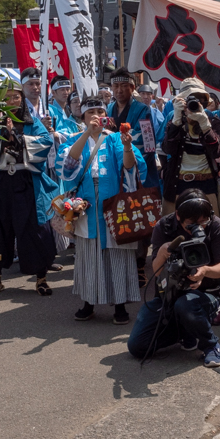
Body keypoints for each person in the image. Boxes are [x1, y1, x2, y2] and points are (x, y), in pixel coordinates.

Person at [61, 94, 145, 324]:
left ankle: (119, 305)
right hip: (87, 203)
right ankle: (88, 303)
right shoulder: (75, 138)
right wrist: (87, 133)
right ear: (83, 115)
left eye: (99, 112)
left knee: (117, 251)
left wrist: (128, 147)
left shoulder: (116, 138)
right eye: (90, 113)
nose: (96, 117)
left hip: (113, 202)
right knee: (89, 253)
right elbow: (68, 165)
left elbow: (131, 169)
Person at [127, 188, 220, 367]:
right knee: (138, 346)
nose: (198, 227)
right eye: (191, 223)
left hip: (204, 295)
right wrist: (163, 254)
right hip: (169, 295)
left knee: (187, 304)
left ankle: (210, 345)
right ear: (178, 215)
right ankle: (185, 332)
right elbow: (157, 274)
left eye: (203, 222)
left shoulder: (215, 225)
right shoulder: (164, 226)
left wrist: (204, 271)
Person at [0, 77, 59, 295]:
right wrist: (1, 135)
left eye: (16, 97)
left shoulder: (31, 122)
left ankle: (41, 277)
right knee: (0, 228)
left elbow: (45, 142)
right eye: (7, 97)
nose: (12, 101)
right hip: (3, 182)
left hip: (26, 181)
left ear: (21, 99)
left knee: (34, 230)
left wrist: (16, 136)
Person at [160, 77, 220, 215]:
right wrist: (176, 122)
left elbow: (217, 153)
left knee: (207, 231)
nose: (194, 103)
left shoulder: (212, 121)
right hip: (178, 185)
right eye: (189, 99)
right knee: (176, 233)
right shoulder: (174, 118)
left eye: (199, 99)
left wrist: (205, 126)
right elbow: (167, 149)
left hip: (207, 185)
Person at [108, 67, 160, 187]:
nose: (119, 90)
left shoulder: (143, 109)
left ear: (132, 88)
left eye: (123, 85)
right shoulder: (109, 109)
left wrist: (112, 136)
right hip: (115, 169)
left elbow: (148, 143)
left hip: (140, 169)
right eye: (115, 86)